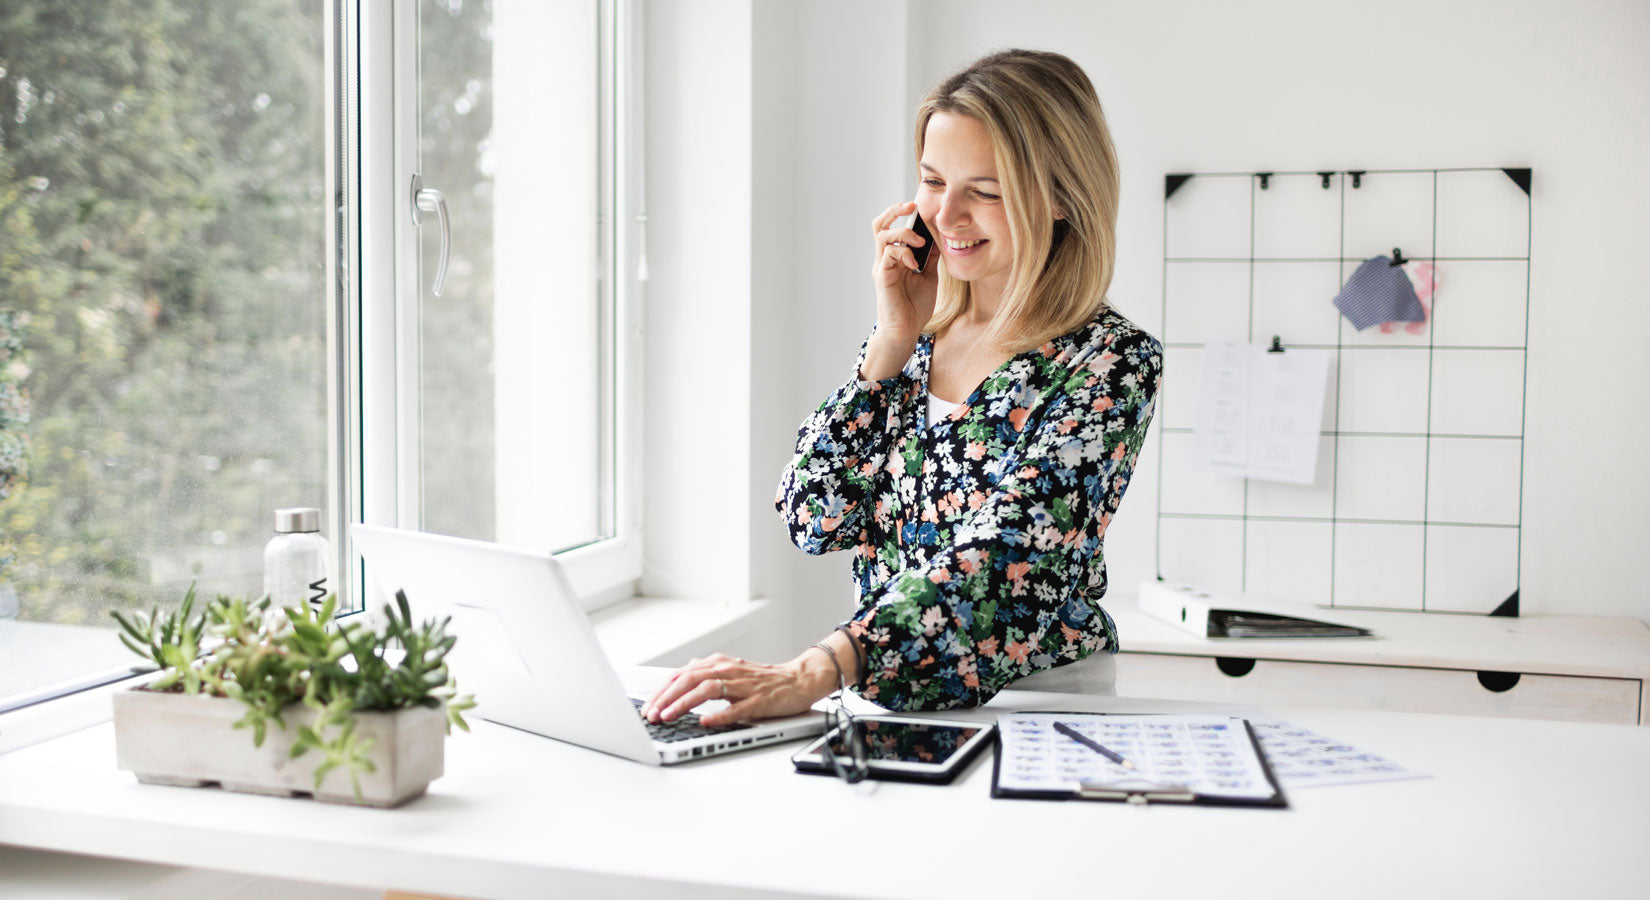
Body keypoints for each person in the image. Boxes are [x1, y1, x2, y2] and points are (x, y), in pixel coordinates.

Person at [643, 48, 1161, 728]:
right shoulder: (913, 342)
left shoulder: (1110, 361)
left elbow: (1009, 558)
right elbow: (813, 518)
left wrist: (819, 667)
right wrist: (890, 342)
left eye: (986, 189)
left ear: (1061, 196)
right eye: (932, 180)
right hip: (887, 697)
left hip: (1039, 709)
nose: (946, 215)